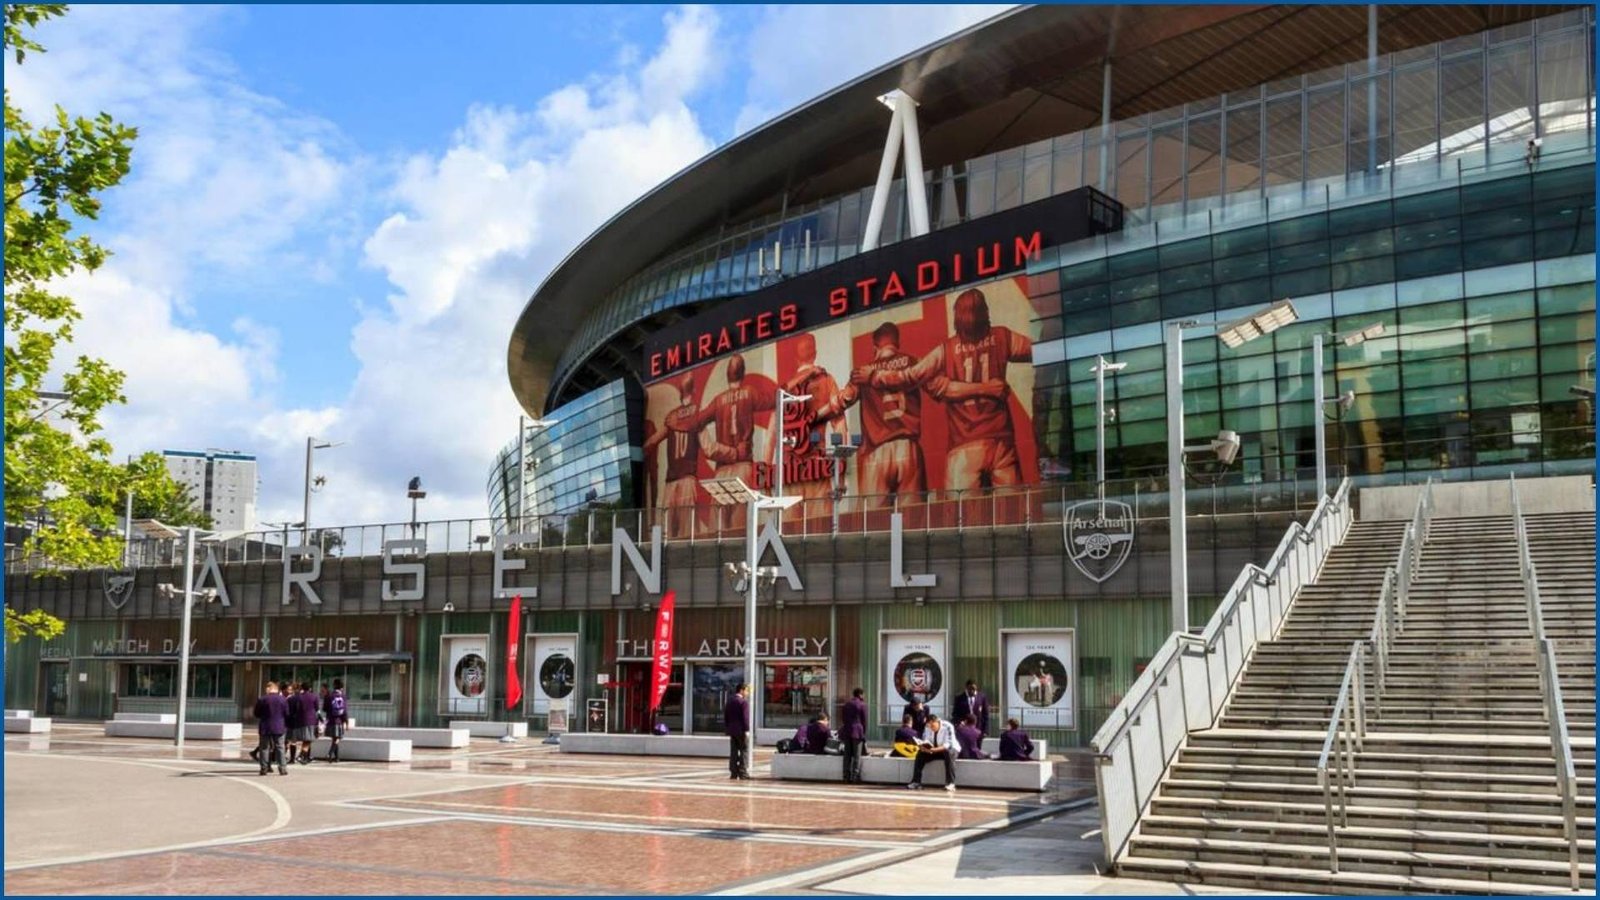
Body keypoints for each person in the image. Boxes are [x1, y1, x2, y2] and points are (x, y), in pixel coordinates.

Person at [869, 287, 1033, 490]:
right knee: (1011, 511)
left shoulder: (946, 350)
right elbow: (1040, 349)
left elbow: (910, 376)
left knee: (961, 516)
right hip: (1001, 441)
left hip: (963, 445)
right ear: (986, 312)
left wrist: (877, 376)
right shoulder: (1003, 337)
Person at [814, 321, 926, 507]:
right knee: (914, 519)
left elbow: (842, 401)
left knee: (872, 522)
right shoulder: (912, 362)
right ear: (896, 342)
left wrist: (815, 416)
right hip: (909, 448)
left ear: (875, 347)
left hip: (877, 451)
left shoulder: (863, 372)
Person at [907, 713, 958, 792]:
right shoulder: (927, 727)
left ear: (937, 722)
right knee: (920, 754)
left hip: (949, 749)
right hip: (933, 749)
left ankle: (950, 783)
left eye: (933, 726)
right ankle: (916, 781)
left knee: (948, 753)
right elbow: (926, 739)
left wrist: (933, 750)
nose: (931, 728)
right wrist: (923, 746)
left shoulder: (948, 726)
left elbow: (948, 744)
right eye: (929, 726)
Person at [252, 681, 289, 777]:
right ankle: (282, 768)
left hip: (265, 726)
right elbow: (287, 713)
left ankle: (264, 768)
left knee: (264, 747)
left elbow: (256, 713)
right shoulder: (283, 699)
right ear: (276, 689)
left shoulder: (262, 699)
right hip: (279, 726)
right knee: (280, 747)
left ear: (269, 689)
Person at [840, 687, 868, 783]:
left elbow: (843, 718)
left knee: (847, 754)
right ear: (860, 694)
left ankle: (845, 776)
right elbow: (864, 720)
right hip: (858, 732)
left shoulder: (847, 704)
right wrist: (864, 733)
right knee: (857, 755)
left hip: (847, 730)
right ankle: (855, 776)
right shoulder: (862, 705)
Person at [724, 682, 751, 780]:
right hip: (741, 731)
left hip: (732, 731)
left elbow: (726, 716)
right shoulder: (743, 702)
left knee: (733, 751)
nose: (747, 693)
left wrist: (728, 728)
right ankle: (743, 773)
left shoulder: (730, 701)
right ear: (742, 690)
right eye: (747, 691)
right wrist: (747, 730)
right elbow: (745, 718)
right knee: (744, 750)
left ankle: (733, 772)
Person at [322, 677, 348, 763]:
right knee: (338, 738)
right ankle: (330, 753)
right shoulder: (343, 696)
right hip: (339, 720)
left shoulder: (329, 696)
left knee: (334, 738)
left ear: (334, 685)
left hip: (330, 719)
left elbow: (324, 709)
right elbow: (344, 710)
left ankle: (337, 757)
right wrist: (346, 722)